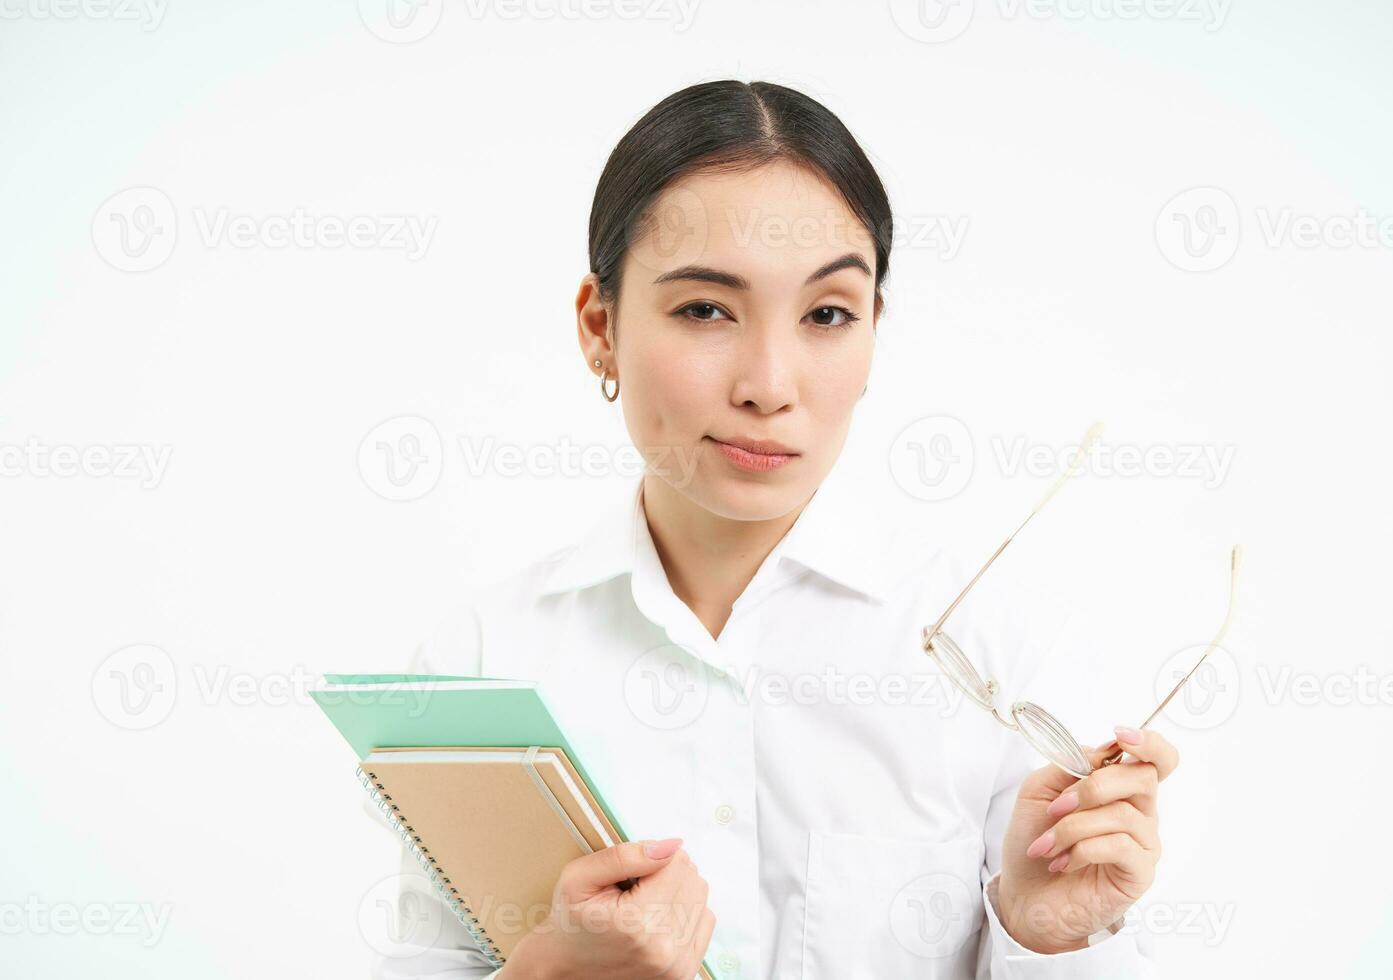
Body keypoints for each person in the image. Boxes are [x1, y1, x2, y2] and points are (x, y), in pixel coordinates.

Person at [372, 79, 1170, 979]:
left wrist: (1044, 936)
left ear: (873, 329)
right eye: (705, 309)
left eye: (827, 314)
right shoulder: (479, 662)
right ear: (600, 328)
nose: (769, 383)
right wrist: (552, 969)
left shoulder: (1011, 651)